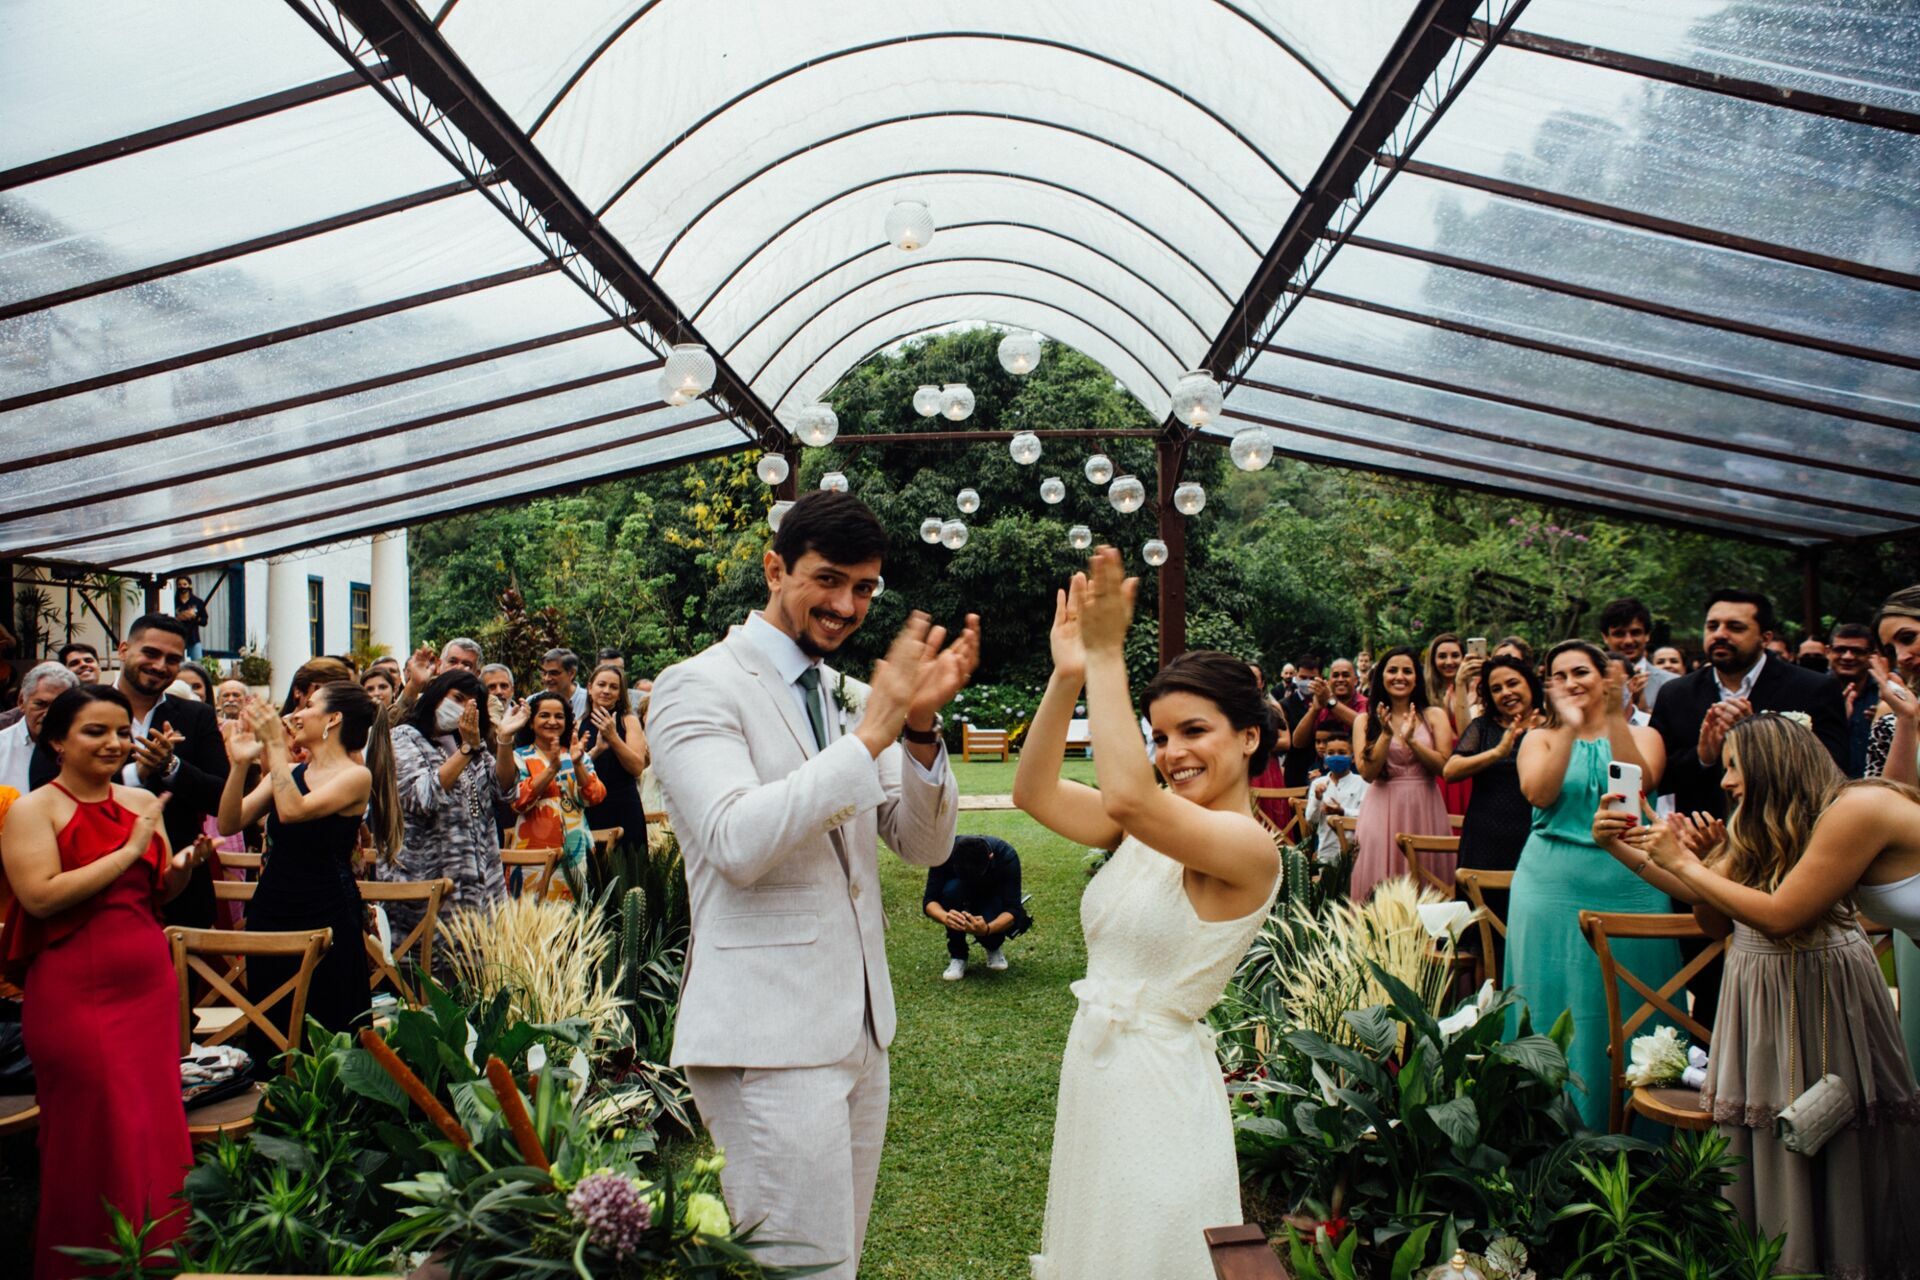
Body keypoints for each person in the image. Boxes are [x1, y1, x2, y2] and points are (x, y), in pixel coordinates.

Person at [647, 489, 974, 1279]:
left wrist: (921, 729)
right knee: (799, 1270)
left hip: (860, 1026)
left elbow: (924, 841)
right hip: (767, 1032)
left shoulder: (850, 697)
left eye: (864, 589)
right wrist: (870, 737)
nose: (845, 606)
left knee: (838, 1262)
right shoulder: (697, 686)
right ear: (774, 567)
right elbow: (734, 840)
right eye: (828, 580)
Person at [1014, 549, 1278, 1280]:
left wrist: (1107, 657)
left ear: (1249, 736)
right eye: (1160, 737)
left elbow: (1130, 796)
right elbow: (1033, 792)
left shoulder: (1247, 849)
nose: (1172, 753)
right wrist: (1068, 673)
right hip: (1098, 1076)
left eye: (1194, 731)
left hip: (1161, 1092)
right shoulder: (1147, 826)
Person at [1593, 716, 1920, 1278]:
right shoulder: (1787, 821)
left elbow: (1781, 914)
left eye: (1733, 766)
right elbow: (1713, 893)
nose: (1724, 782)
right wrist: (1622, 848)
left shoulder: (1856, 809)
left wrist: (1686, 861)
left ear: (1771, 764)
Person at [1, 685, 210, 1278]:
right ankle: (86, 1264)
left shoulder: (140, 799)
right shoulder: (32, 809)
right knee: (95, 1129)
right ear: (58, 740)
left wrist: (180, 869)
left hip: (145, 981)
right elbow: (39, 897)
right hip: (72, 989)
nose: (115, 742)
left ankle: (162, 1257)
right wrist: (129, 851)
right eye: (96, 731)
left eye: (122, 731)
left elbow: (156, 891)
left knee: (152, 1122)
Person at [1505, 640, 1670, 1130]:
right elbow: (1539, 793)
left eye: (1581, 672)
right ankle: (1542, 1132)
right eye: (1560, 676)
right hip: (1550, 885)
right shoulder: (1538, 738)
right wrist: (1571, 728)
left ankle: (1635, 1130)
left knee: (1631, 1004)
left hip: (1633, 881)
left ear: (1605, 677)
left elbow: (1641, 784)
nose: (1572, 682)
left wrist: (1615, 717)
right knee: (1550, 999)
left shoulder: (1649, 734)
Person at [30, 615, 231, 928]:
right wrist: (135, 774)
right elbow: (44, 783)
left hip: (177, 888)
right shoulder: (78, 708)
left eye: (173, 659)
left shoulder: (196, 716)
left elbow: (221, 797)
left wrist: (172, 767)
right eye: (150, 653)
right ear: (123, 650)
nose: (160, 665)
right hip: (81, 889)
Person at [217, 684, 378, 1047]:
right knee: (272, 1019)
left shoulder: (355, 777)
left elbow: (293, 812)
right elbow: (230, 823)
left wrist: (274, 745)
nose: (296, 714)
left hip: (327, 909)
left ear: (333, 719)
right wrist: (240, 765)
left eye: (309, 706)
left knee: (329, 1022)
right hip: (272, 905)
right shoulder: (289, 771)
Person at [1652, 590, 1847, 821]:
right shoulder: (1676, 693)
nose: (1720, 635)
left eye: (1735, 627)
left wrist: (1760, 737)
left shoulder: (1814, 688)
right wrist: (1703, 756)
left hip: (1785, 832)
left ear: (1765, 638)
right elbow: (1661, 779)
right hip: (1702, 835)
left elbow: (1833, 771)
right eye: (1712, 626)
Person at [375, 669, 505, 940]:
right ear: (436, 695)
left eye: (472, 704)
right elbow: (421, 796)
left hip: (478, 883)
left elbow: (504, 789)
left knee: (477, 968)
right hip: (426, 882)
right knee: (431, 972)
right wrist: (465, 752)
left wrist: (505, 739)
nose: (461, 709)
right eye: (456, 698)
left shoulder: (470, 743)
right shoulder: (403, 737)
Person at [1443, 655, 1544, 973]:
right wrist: (1497, 753)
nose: (1506, 692)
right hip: (1486, 844)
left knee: (1534, 932)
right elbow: (1451, 770)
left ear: (1530, 683)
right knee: (1488, 940)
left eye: (1513, 683)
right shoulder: (1483, 727)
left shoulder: (1554, 724)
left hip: (1536, 842)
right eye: (1496, 688)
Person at [1865, 585, 1920, 1077]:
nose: (1904, 655)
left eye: (1909, 636)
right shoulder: (1903, 712)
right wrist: (1907, 720)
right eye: (1894, 647)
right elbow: (1894, 802)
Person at [1350, 647, 1454, 902]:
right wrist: (1386, 735)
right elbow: (1367, 773)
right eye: (1392, 670)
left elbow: (1445, 768)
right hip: (1382, 808)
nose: (1400, 676)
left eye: (1407, 671)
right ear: (1381, 677)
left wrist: (1413, 742)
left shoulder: (1434, 716)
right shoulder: (1364, 721)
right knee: (1380, 882)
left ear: (1417, 677)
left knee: (1429, 885)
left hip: (1425, 807)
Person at [500, 691, 604, 901]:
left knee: (577, 920)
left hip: (577, 851)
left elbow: (595, 796)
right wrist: (551, 770)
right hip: (532, 855)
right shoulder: (519, 757)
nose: (552, 721)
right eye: (544, 715)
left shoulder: (576, 754)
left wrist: (576, 764)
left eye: (559, 716)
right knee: (532, 920)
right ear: (531, 723)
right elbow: (518, 802)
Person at [924, 833, 1030, 979]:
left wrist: (987, 929)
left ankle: (993, 947)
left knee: (992, 929)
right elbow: (930, 900)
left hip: (991, 895)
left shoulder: (1006, 856)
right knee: (951, 891)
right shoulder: (943, 853)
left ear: (991, 857)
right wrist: (945, 917)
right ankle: (958, 955)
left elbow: (1012, 908)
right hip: (957, 892)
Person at [581, 661, 649, 849]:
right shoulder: (578, 724)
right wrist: (594, 752)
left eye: (613, 687)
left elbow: (637, 768)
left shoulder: (629, 721)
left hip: (624, 805)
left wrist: (613, 737)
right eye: (601, 684)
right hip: (590, 808)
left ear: (620, 694)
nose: (606, 691)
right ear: (589, 688)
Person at [0, 663, 77, 795]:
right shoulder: (2, 746)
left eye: (58, 706)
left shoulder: (84, 747)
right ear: (21, 701)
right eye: (41, 704)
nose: (48, 714)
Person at [1598, 596, 1676, 717]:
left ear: (1647, 635)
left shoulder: (1672, 684)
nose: (1628, 641)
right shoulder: (1589, 682)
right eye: (1619, 634)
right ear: (1605, 637)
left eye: (1635, 632)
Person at [1302, 726, 1366, 864]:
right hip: (1326, 854)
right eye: (1331, 753)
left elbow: (1367, 816)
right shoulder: (1318, 783)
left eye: (1342, 752)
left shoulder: (1362, 783)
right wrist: (1318, 798)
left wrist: (1343, 811)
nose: (1336, 756)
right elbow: (1311, 820)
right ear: (1325, 758)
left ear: (1353, 757)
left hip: (1357, 855)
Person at [1426, 633, 1473, 818]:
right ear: (1433, 660)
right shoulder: (1425, 693)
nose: (1449, 661)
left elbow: (1467, 735)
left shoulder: (1476, 690)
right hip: (1438, 769)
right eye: (1442, 656)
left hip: (1467, 767)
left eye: (1455, 655)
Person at [1829, 621, 1879, 778]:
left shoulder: (1886, 694)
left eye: (1857, 651)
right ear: (1828, 652)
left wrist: (1887, 722)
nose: (1848, 656)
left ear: (1872, 655)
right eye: (1840, 650)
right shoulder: (1811, 691)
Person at [541, 648, 589, 721]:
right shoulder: (534, 701)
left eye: (554, 673)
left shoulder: (589, 701)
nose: (547, 678)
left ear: (571, 673)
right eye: (544, 673)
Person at [173, 577, 207, 660]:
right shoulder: (173, 602)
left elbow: (204, 621)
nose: (182, 587)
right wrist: (178, 618)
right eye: (179, 585)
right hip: (178, 638)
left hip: (193, 638)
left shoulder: (198, 602)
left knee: (197, 664)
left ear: (189, 586)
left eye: (185, 584)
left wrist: (194, 617)